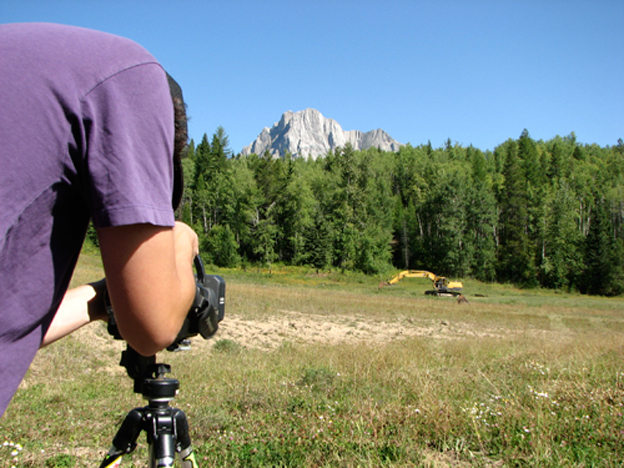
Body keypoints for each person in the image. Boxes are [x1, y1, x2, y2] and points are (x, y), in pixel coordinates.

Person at [0, 22, 199, 416]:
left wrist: (99, 300)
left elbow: (13, 320)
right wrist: (180, 240)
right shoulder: (134, 79)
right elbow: (152, 328)